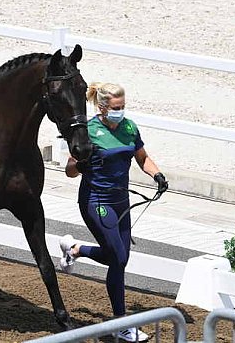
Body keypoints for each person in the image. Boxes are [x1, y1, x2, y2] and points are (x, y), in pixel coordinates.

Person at [59, 82, 168, 342]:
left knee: (119, 259)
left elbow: (141, 157)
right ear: (103, 107)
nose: (121, 111)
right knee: (117, 258)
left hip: (121, 202)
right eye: (117, 108)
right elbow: (70, 170)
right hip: (96, 200)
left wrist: (157, 174)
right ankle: (122, 324)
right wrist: (81, 165)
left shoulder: (129, 127)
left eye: (124, 106)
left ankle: (75, 250)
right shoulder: (89, 131)